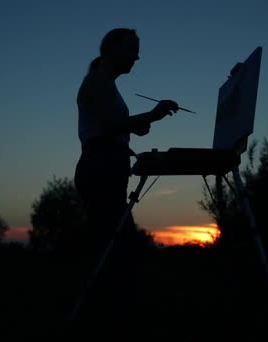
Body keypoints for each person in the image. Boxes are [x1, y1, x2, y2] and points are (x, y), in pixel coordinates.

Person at [72, 28, 179, 325]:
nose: (137, 56)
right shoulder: (97, 82)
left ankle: (100, 315)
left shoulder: (105, 83)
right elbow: (109, 125)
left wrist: (134, 125)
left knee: (112, 246)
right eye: (132, 49)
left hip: (105, 166)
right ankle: (103, 318)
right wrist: (151, 116)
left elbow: (114, 125)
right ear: (111, 50)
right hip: (101, 167)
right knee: (115, 246)